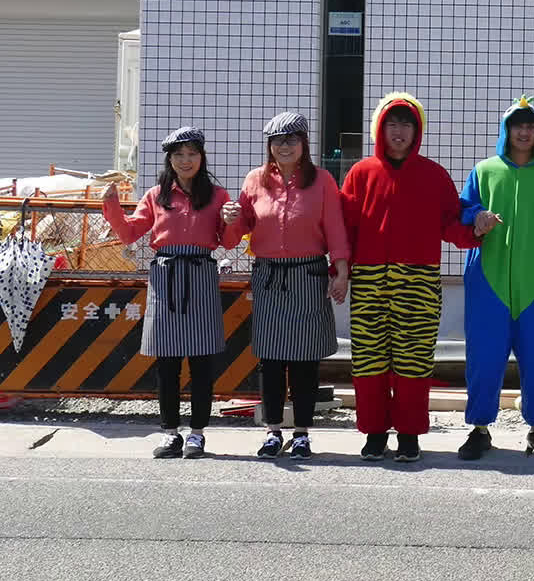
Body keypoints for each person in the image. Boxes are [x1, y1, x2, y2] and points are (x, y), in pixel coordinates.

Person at [338, 94, 479, 463]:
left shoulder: (433, 175)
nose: (399, 132)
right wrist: (338, 269)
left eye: (406, 124)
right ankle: (373, 433)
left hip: (418, 280)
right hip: (369, 279)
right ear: (379, 130)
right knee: (369, 359)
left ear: (417, 131)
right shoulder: (360, 173)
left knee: (413, 362)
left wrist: (477, 230)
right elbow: (345, 228)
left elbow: (452, 223)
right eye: (392, 124)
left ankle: (410, 435)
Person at [101, 127, 242, 459]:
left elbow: (229, 242)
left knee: (202, 360)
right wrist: (111, 207)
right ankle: (169, 432)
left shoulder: (218, 196)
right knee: (167, 362)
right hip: (165, 278)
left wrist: (232, 220)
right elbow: (130, 232)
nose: (186, 160)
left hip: (201, 276)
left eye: (192, 153)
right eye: (179, 154)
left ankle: (197, 433)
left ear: (202, 157)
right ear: (170, 159)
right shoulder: (155, 195)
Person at [456, 97, 534, 461]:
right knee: (483, 356)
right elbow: (465, 212)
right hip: (487, 280)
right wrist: (477, 218)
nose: (524, 131)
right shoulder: (484, 171)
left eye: (530, 126)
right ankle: (479, 429)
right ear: (506, 130)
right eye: (517, 125)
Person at [225, 112, 349, 460]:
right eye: (278, 140)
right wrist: (231, 220)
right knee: (271, 359)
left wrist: (340, 271)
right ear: (269, 145)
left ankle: (303, 433)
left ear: (304, 143)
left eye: (292, 139)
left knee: (305, 361)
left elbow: (335, 227)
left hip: (308, 275)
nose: (284, 146)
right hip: (268, 276)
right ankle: (272, 431)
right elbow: (238, 234)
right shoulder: (254, 181)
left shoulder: (322, 180)